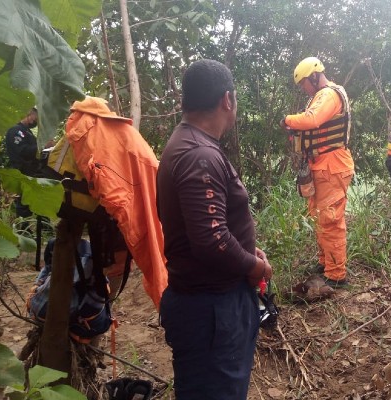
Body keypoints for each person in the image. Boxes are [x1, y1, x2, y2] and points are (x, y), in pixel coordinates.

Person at [156, 59, 273, 400]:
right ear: (227, 100)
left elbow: (210, 227)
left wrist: (247, 250)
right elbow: (211, 240)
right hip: (212, 311)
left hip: (207, 305)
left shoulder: (188, 144)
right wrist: (257, 267)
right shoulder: (199, 155)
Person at [280, 56, 354, 288]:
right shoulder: (319, 96)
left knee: (330, 219)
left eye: (304, 83)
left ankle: (336, 275)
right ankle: (325, 263)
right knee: (319, 216)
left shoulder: (329, 95)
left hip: (332, 165)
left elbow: (312, 120)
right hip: (320, 164)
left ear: (314, 76)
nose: (303, 88)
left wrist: (287, 120)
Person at [3, 107, 40, 218]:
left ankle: (37, 227)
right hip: (22, 171)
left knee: (30, 201)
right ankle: (24, 229)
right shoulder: (16, 130)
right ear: (29, 114)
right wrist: (40, 147)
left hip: (31, 171)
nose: (36, 121)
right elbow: (23, 151)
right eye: (35, 117)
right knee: (23, 203)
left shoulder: (27, 131)